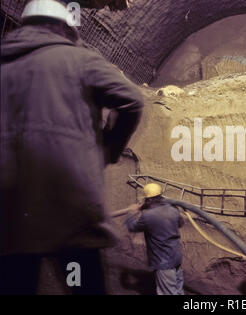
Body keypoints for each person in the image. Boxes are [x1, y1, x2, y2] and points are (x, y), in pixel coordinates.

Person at [0, 0, 143, 294]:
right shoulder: (80, 59)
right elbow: (131, 100)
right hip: (69, 208)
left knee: (16, 284)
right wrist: (108, 150)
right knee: (81, 284)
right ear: (64, 26)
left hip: (11, 214)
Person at [125, 183, 185, 295]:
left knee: (167, 292)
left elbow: (132, 227)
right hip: (176, 256)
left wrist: (132, 212)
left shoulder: (148, 215)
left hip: (163, 261)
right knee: (178, 290)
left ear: (149, 200)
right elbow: (181, 223)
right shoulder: (173, 209)